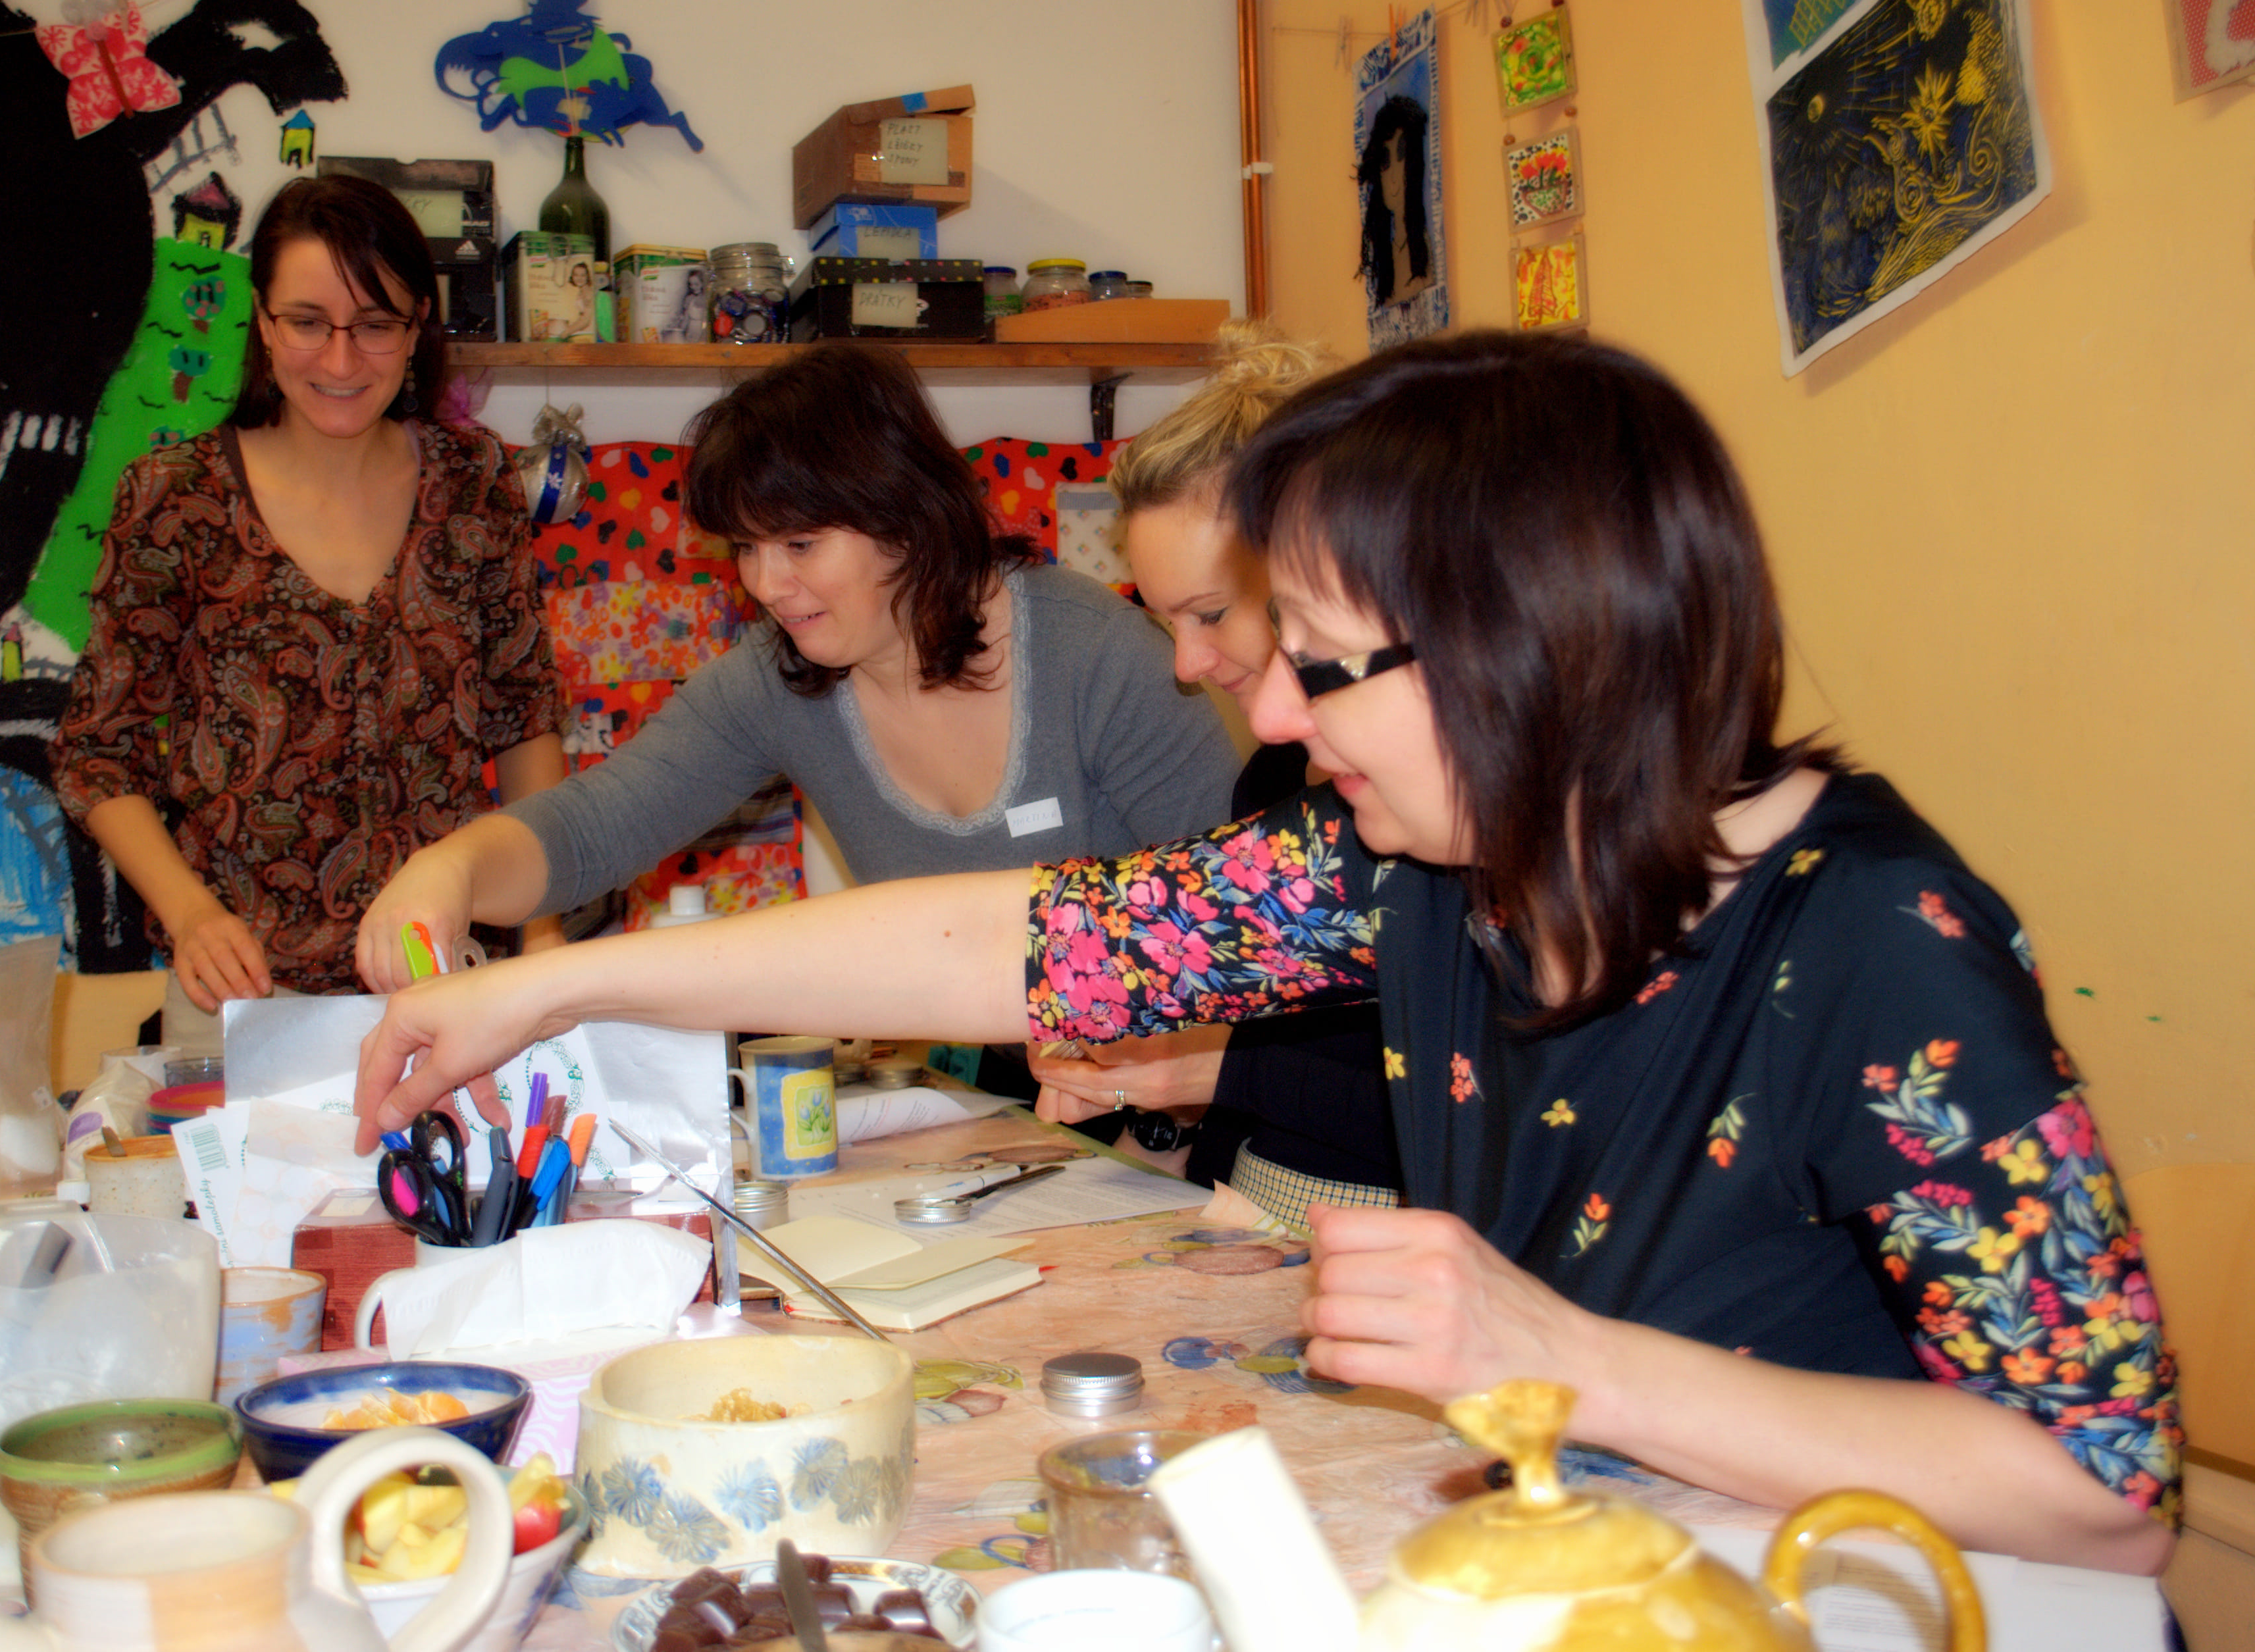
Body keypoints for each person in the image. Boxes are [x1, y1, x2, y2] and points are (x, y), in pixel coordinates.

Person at [354, 331, 2177, 1573]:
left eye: (1319, 659)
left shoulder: (1876, 938)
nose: (1277, 714)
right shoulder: (1421, 864)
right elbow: (1015, 941)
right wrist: (553, 979)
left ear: (1520, 638)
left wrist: (1569, 1360)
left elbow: (2104, 1489)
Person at [354, 341, 1239, 995]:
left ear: (904, 516)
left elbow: (1248, 921)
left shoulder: (1104, 658)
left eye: (801, 544)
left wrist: (1154, 1104)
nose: (768, 583)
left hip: (1167, 1110)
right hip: (994, 1103)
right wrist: (450, 871)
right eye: (747, 547)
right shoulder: (777, 680)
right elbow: (594, 828)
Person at [51, 174, 563, 1051]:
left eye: (375, 324)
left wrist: (545, 937)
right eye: (307, 321)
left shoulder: (474, 482)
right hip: (242, 999)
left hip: (444, 986)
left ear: (417, 327)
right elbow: (99, 752)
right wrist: (190, 912)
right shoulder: (179, 496)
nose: (340, 360)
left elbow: (524, 722)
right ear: (261, 319)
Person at [1026, 323, 1403, 1226]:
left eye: (1211, 613)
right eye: (1169, 624)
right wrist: (1168, 1094)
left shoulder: (1423, 799)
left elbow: (1468, 1115)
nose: (1187, 665)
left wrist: (1211, 1070)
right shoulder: (1270, 777)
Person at [1358, 95, 1433, 308]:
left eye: (1402, 156)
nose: (1392, 177)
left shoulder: (1424, 250)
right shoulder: (1386, 260)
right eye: (1385, 163)